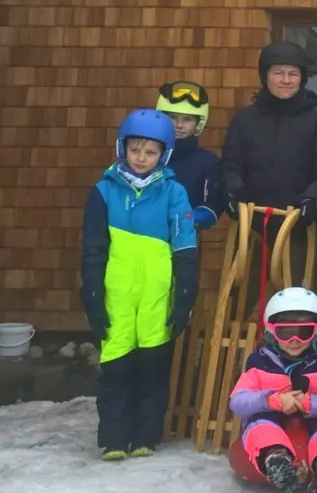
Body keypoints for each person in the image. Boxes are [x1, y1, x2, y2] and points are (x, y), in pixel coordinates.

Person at [80, 109, 198, 460]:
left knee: (152, 371)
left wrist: (184, 299)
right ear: (122, 149)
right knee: (116, 370)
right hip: (117, 298)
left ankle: (146, 436)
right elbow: (92, 250)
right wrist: (92, 296)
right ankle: (114, 439)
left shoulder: (174, 193)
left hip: (156, 299)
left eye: (150, 152)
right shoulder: (103, 192)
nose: (142, 158)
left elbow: (186, 248)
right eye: (135, 150)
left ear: (165, 155)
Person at [220, 41, 317, 295]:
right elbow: (231, 164)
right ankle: (234, 334)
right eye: (278, 73)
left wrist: (313, 198)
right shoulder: (245, 119)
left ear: (302, 79)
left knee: (293, 304)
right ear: (265, 76)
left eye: (293, 74)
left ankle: (294, 335)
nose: (286, 80)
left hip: (299, 228)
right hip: (251, 226)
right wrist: (233, 189)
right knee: (236, 299)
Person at [229, 287, 317, 493]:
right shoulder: (260, 365)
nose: (294, 341)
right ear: (271, 330)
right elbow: (238, 400)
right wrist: (272, 400)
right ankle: (276, 459)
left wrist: (311, 403)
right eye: (285, 333)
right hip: (274, 423)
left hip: (314, 423)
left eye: (303, 332)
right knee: (260, 423)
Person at [155, 80, 222, 230]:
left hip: (184, 243)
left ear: (198, 124)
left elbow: (212, 209)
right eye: (172, 117)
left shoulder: (208, 162)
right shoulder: (146, 156)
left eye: (187, 119)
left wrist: (184, 217)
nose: (179, 125)